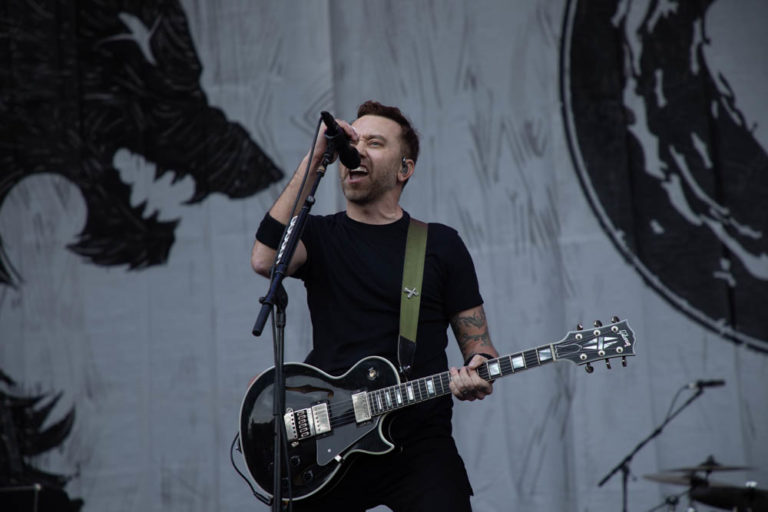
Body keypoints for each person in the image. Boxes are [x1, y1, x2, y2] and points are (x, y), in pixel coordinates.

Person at [251, 100, 499, 512]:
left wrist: (479, 369)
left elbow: (480, 346)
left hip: (419, 444)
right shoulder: (319, 235)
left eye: (375, 143)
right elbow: (264, 259)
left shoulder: (439, 245)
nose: (358, 150)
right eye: (353, 142)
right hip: (328, 437)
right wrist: (316, 157)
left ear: (405, 169)